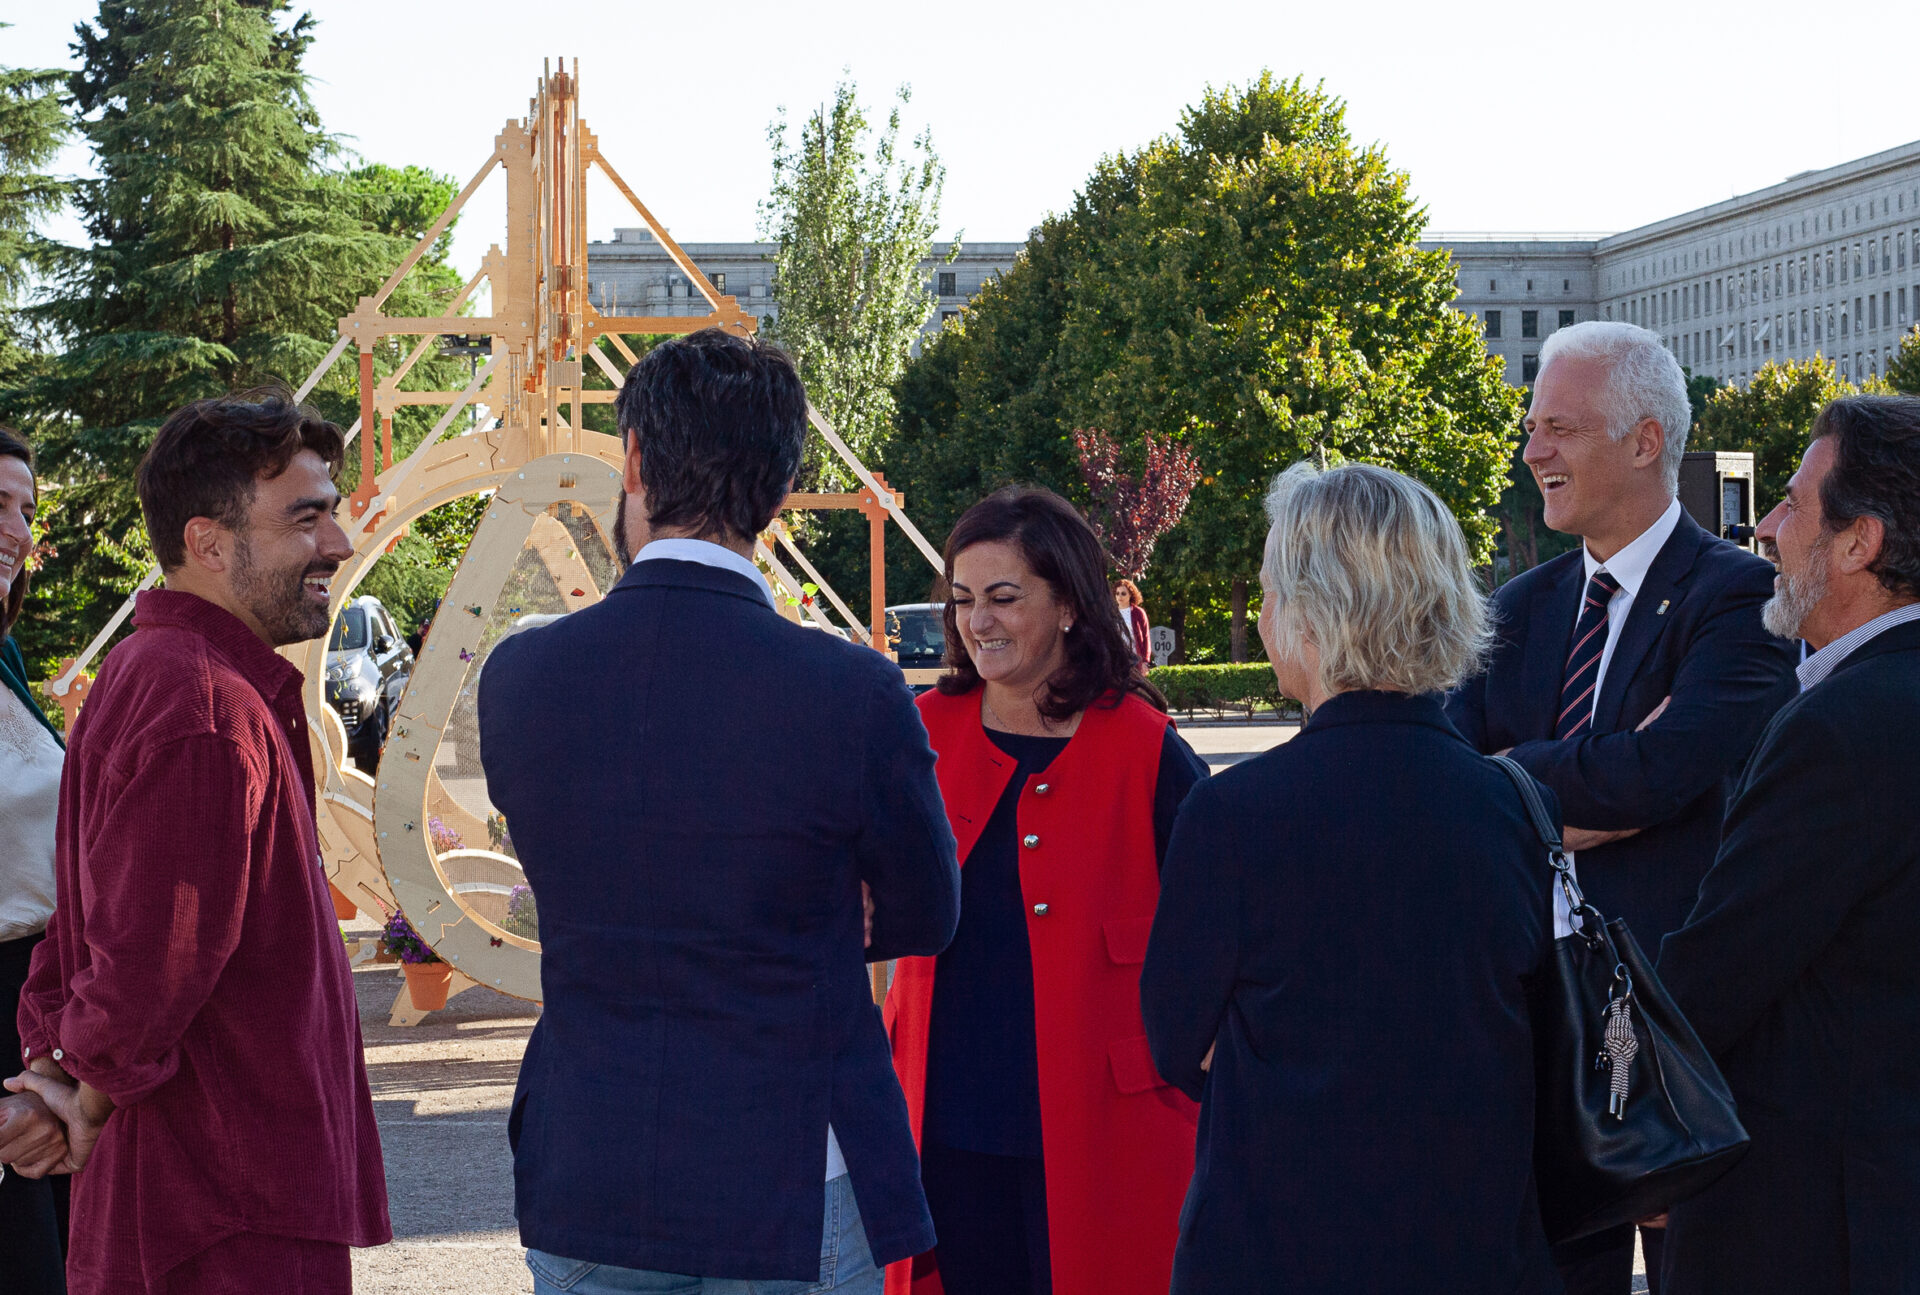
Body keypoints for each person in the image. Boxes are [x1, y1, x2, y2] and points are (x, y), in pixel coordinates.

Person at [479, 328, 961, 1295]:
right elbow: (928, 909)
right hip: (788, 1159)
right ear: (780, 492)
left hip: (594, 1156)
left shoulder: (521, 676)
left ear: (637, 462)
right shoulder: (852, 689)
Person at [1142, 461, 1559, 1294]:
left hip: (1277, 1246)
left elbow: (1172, 1041)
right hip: (1475, 1247)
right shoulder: (1516, 802)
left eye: (1267, 593)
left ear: (1308, 615)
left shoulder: (1234, 814)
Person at [6, 395, 389, 1295]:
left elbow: (83, 934)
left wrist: (53, 1080)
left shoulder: (160, 673)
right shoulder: (204, 704)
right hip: (224, 1212)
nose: (337, 542)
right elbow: (149, 958)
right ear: (210, 543)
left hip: (201, 1200)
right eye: (307, 516)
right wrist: (82, 1095)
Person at [1444, 320, 1797, 1293]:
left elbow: (1664, 774)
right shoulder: (1514, 609)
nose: (1531, 451)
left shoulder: (1745, 599)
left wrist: (1519, 776)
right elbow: (1451, 777)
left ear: (1646, 441)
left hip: (1689, 1033)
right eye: (1531, 426)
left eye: (1558, 425)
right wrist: (1579, 776)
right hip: (1535, 1032)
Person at [884, 487, 1207, 1295]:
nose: (977, 622)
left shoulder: (1149, 748)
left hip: (1113, 1130)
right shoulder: (917, 733)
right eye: (961, 600)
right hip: (947, 1125)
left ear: (1068, 604)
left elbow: (1219, 936)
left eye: (1003, 597)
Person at [1655, 395, 1920, 1294]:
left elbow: (1715, 972)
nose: (1765, 527)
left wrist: (1629, 1127)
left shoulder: (1837, 730)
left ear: (1860, 543)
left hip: (1820, 1227)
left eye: (1795, 503)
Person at [0, 426, 72, 1294]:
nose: (17, 530)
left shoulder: (8, 660)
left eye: (25, 508)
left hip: (34, 1007)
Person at [1113, 578, 1150, 669]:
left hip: (1135, 659)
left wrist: (1145, 661)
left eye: (1123, 593)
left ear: (1130, 594)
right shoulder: (1111, 612)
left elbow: (1146, 637)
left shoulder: (1138, 612)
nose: (1119, 596)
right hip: (1117, 658)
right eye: (1117, 593)